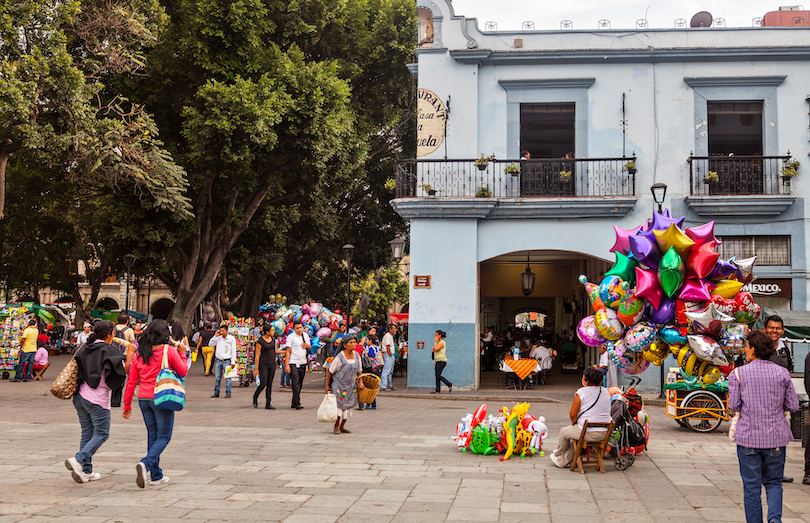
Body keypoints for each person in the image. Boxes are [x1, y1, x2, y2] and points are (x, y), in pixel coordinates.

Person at [729, 330, 798, 523]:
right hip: (776, 437)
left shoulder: (738, 374)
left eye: (746, 346)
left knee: (751, 487)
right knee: (774, 483)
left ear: (752, 349)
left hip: (748, 438)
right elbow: (793, 405)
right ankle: (775, 520)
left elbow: (734, 405)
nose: (745, 350)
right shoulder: (782, 373)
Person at [123, 319, 188, 488]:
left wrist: (127, 404)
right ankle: (146, 463)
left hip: (143, 399)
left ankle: (156, 474)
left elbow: (131, 381)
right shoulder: (169, 350)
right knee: (164, 436)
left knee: (153, 435)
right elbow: (183, 371)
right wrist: (182, 353)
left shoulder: (139, 353)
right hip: (162, 397)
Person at [66, 320, 126, 483]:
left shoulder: (83, 347)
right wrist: (132, 353)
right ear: (109, 334)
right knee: (101, 433)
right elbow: (120, 371)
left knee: (87, 432)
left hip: (79, 396)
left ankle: (86, 471)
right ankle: (79, 459)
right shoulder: (108, 350)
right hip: (97, 398)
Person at [550, 366, 613, 468]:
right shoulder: (606, 392)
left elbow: (573, 414)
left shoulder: (581, 392)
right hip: (604, 433)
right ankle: (562, 460)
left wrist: (574, 423)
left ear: (585, 379)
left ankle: (558, 453)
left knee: (564, 432)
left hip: (587, 431)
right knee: (577, 439)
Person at [325, 334, 364, 434]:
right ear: (345, 345)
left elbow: (359, 371)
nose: (353, 344)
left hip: (351, 386)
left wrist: (360, 381)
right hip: (339, 386)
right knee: (340, 406)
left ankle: (343, 425)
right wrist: (327, 385)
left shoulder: (357, 356)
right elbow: (330, 371)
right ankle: (337, 425)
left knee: (349, 406)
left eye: (354, 342)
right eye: (351, 342)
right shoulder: (339, 357)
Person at [253, 324, 282, 410]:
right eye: (272, 330)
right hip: (263, 364)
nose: (273, 332)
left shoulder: (273, 340)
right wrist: (256, 369)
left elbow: (274, 350)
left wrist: (285, 351)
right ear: (267, 332)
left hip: (272, 364)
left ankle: (268, 403)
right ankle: (255, 396)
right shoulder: (260, 341)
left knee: (270, 384)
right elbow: (257, 355)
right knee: (263, 383)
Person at [284, 321, 310, 410]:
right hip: (293, 362)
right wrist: (287, 364)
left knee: (300, 383)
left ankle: (294, 402)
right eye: (297, 328)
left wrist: (307, 346)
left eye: (300, 327)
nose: (299, 330)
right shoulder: (291, 337)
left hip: (303, 362)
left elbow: (310, 347)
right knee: (295, 383)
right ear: (294, 329)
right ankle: (297, 402)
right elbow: (288, 350)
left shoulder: (305, 336)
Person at [211, 325, 236, 398]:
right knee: (217, 378)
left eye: (223, 331)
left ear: (226, 331)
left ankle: (228, 392)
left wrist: (233, 361)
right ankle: (216, 392)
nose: (221, 332)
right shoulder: (218, 338)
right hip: (218, 360)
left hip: (227, 360)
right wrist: (215, 336)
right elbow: (210, 344)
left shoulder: (231, 339)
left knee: (228, 378)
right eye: (220, 331)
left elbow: (233, 350)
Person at [431, 330, 452, 394]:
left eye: (436, 335)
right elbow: (435, 349)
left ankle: (449, 384)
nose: (435, 336)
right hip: (437, 361)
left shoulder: (442, 342)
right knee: (437, 375)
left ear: (439, 336)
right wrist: (435, 347)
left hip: (442, 361)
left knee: (438, 375)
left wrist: (435, 342)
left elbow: (436, 349)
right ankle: (437, 390)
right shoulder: (439, 343)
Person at [380, 324, 397, 391]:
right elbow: (388, 346)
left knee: (390, 371)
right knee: (386, 370)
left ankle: (389, 385)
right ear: (390, 329)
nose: (395, 330)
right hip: (388, 354)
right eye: (394, 328)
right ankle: (384, 386)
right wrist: (389, 354)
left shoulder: (390, 336)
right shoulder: (388, 336)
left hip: (390, 354)